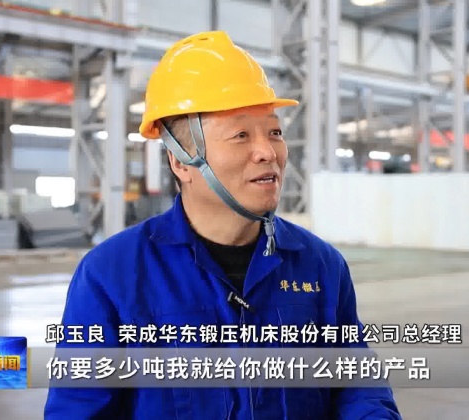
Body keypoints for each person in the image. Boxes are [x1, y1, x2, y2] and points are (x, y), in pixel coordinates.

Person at [44, 30, 401, 419]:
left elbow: (356, 383)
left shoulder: (320, 266)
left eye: (274, 132)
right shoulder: (112, 275)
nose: (268, 152)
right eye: (241, 135)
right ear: (180, 161)